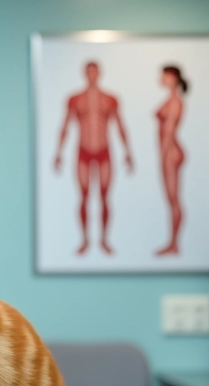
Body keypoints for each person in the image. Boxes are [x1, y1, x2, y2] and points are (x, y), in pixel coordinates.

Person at [53, 61, 134, 255]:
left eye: (94, 72)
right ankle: (85, 240)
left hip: (104, 151)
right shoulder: (74, 99)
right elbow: (65, 125)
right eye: (89, 71)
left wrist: (127, 152)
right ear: (85, 74)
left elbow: (120, 125)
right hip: (83, 152)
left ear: (99, 74)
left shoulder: (110, 99)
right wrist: (59, 152)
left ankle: (104, 240)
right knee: (84, 196)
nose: (92, 75)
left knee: (105, 197)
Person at [154, 65, 188, 256]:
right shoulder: (170, 100)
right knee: (171, 200)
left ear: (173, 77)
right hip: (169, 152)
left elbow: (168, 131)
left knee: (173, 200)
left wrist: (163, 155)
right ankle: (172, 243)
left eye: (164, 76)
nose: (161, 78)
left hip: (171, 153)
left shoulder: (175, 102)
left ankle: (174, 244)